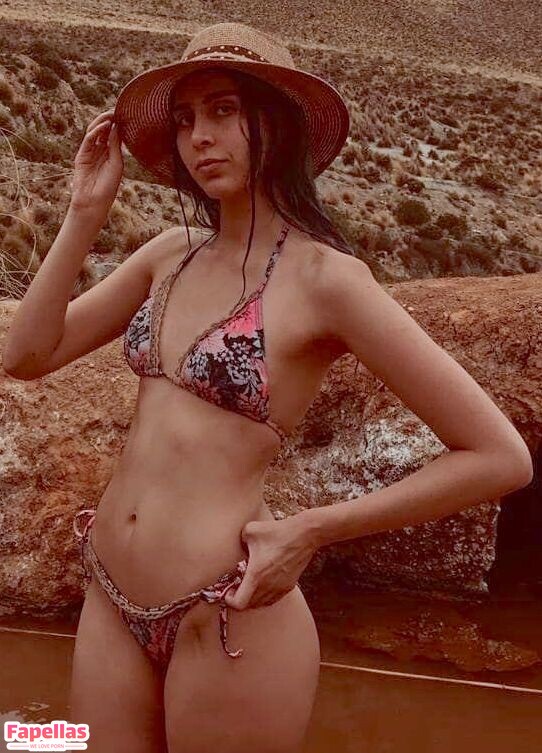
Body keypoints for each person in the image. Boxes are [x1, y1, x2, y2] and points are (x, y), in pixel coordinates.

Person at [2, 21, 533, 753]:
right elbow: (27, 355)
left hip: (227, 612)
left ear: (276, 125)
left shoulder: (327, 281)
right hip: (111, 597)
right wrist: (83, 213)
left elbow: (500, 455)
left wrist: (311, 530)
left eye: (223, 110)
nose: (199, 137)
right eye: (185, 119)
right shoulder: (168, 256)